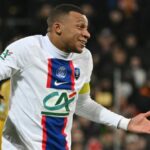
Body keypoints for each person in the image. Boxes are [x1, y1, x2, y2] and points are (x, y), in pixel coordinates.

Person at [0, 4, 150, 150]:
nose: (87, 34)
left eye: (87, 28)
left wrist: (125, 123)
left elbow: (82, 104)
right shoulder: (26, 48)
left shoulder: (84, 58)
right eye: (80, 27)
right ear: (58, 28)